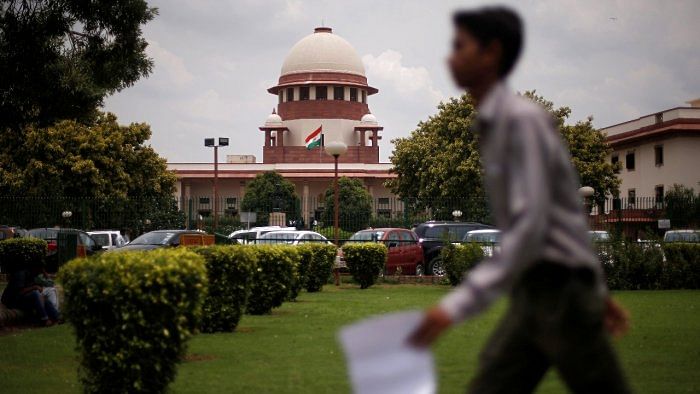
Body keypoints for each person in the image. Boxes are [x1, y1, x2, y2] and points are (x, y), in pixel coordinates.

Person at [408, 7, 631, 393]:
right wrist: (596, 288)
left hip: (558, 292)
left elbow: (533, 225)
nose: (450, 57)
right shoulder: (494, 124)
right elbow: (565, 217)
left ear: (492, 52)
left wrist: (455, 307)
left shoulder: (519, 122)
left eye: (460, 46)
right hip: (541, 291)